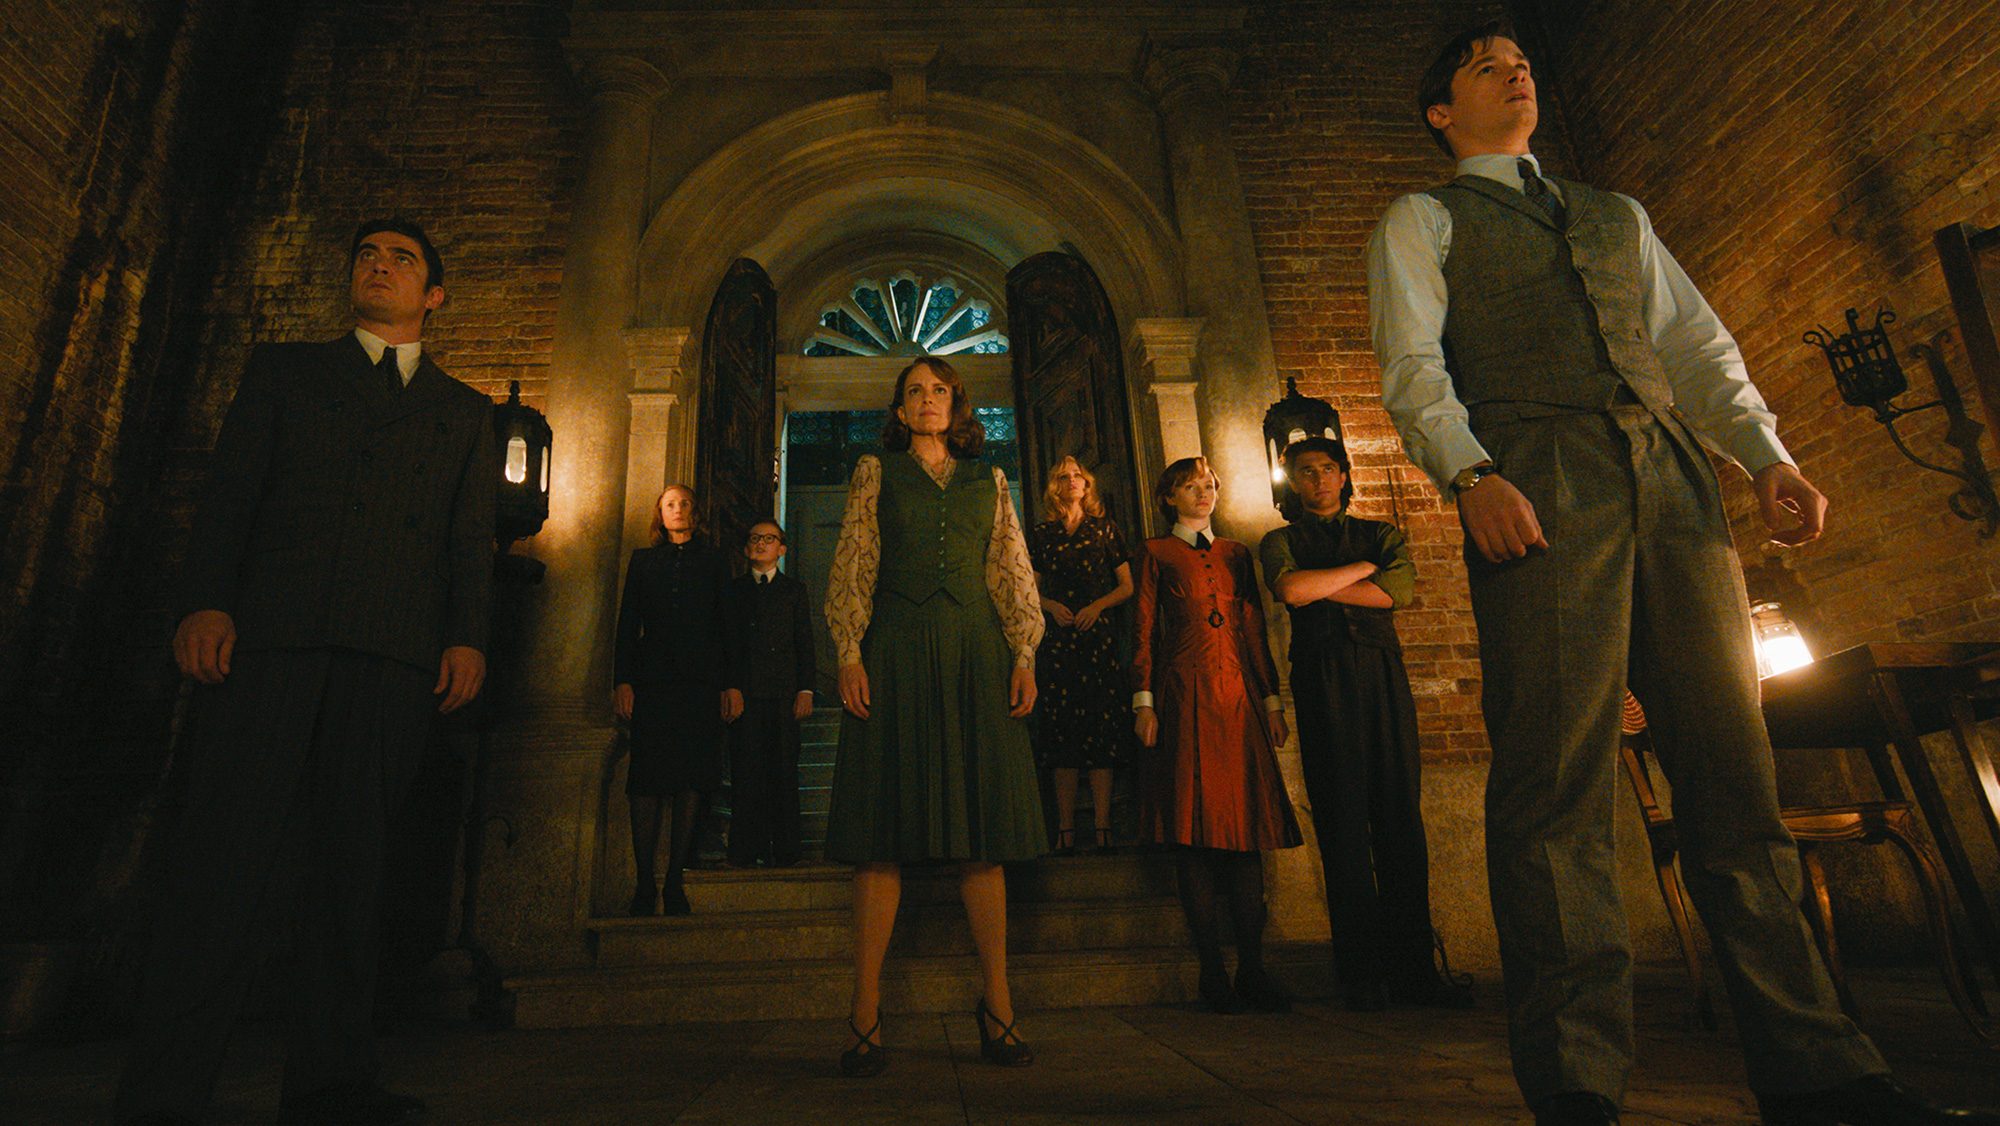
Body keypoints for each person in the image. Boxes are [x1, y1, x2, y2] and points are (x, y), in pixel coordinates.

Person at [1369, 22, 1998, 1125]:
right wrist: (1470, 473)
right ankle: (1576, 1082)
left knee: (1732, 769)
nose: (1516, 69)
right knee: (1554, 783)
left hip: (1669, 476)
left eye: (1522, 58)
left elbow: (1697, 347)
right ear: (1440, 112)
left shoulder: (1618, 215)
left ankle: (1817, 1069)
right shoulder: (1423, 219)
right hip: (1537, 480)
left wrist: (1764, 455)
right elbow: (1412, 364)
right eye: (1484, 65)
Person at [117, 218, 494, 1126]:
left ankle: (331, 1082)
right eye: (368, 255)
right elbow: (230, 494)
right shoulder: (284, 373)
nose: (379, 266)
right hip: (274, 643)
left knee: (355, 873)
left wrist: (467, 637)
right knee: (222, 861)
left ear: (434, 296)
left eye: (401, 259)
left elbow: (467, 539)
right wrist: (206, 601)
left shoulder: (464, 410)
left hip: (391, 655)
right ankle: (165, 1090)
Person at [823, 356, 1046, 1076]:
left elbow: (1010, 567)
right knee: (880, 836)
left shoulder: (991, 479)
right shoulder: (874, 473)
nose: (927, 400)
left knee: (982, 836)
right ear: (899, 409)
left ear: (956, 405)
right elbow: (854, 563)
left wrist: (1023, 653)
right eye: (914, 391)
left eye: (939, 390)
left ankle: (998, 1001)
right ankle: (864, 1007)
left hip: (976, 652)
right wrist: (850, 651)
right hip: (893, 649)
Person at [1259, 437, 1469, 1013]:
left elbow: (1397, 594)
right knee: (1341, 822)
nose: (1319, 480)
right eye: (1307, 472)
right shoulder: (1281, 541)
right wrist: (1361, 572)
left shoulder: (1381, 531)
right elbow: (1291, 590)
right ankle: (1361, 977)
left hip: (1381, 676)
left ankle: (1414, 973)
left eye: (1328, 469)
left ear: (1345, 475)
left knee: (1400, 817)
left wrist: (1326, 586)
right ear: (1293, 481)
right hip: (1321, 680)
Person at [1132, 456, 1303, 1014]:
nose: (1203, 493)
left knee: (1247, 833)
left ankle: (1253, 969)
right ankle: (1212, 972)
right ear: (1169, 497)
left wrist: (1271, 700)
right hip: (1182, 696)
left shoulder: (1236, 553)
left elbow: (1254, 628)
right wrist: (1143, 701)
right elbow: (1143, 630)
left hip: (1238, 700)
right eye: (1190, 486)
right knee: (1194, 834)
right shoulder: (1156, 552)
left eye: (1208, 485)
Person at [613, 485, 729, 917]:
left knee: (691, 779)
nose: (676, 510)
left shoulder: (714, 561)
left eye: (683, 504)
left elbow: (726, 625)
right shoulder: (643, 561)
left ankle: (676, 880)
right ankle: (645, 882)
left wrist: (729, 684)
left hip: (699, 684)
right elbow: (628, 624)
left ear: (694, 512)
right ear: (659, 514)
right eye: (668, 504)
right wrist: (623, 680)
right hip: (653, 682)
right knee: (645, 780)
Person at [1028, 454, 1135, 855]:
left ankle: (1104, 826)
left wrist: (1098, 606)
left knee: (1101, 730)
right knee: (1063, 734)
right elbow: (1028, 588)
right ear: (1054, 487)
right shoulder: (1042, 534)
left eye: (1077, 476)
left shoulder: (1105, 529)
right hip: (1059, 640)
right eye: (1063, 476)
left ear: (1088, 485)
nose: (1071, 481)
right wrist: (1050, 606)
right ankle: (1066, 828)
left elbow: (1127, 585)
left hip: (1097, 638)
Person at [720, 518, 816, 868]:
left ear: (782, 549)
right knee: (746, 770)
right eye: (755, 538)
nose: (761, 543)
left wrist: (806, 689)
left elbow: (804, 641)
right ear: (746, 548)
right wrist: (730, 685)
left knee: (784, 769)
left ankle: (787, 849)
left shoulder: (794, 591)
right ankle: (746, 849)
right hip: (745, 692)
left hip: (783, 692)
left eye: (769, 538)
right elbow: (727, 642)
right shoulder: (733, 590)